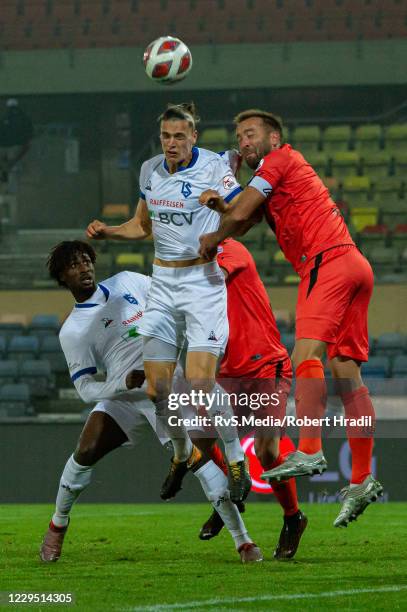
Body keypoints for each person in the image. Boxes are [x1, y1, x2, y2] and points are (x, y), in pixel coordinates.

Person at [198, 109, 383, 528]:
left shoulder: (279, 160)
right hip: (354, 263)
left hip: (327, 263)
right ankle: (361, 478)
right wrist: (222, 203)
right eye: (239, 138)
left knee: (304, 356)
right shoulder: (275, 178)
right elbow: (243, 220)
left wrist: (213, 233)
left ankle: (311, 448)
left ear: (274, 136)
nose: (244, 143)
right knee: (347, 372)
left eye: (250, 135)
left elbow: (239, 217)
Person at [40, 240, 262, 564]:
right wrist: (119, 383)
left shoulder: (128, 281)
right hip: (123, 396)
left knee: (198, 461)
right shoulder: (72, 331)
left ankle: (243, 541)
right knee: (85, 451)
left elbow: (171, 303)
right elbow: (86, 389)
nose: (84, 268)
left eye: (86, 260)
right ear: (62, 277)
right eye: (74, 265)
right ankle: (57, 525)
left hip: (166, 387)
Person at [86, 103, 252, 504]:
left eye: (180, 136)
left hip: (202, 284)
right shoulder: (150, 170)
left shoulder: (213, 167)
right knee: (158, 390)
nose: (172, 143)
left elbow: (241, 213)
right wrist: (108, 232)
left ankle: (235, 459)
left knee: (198, 383)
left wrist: (220, 206)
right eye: (166, 136)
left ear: (194, 136)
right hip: (162, 283)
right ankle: (181, 456)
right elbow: (142, 226)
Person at [196, 237, 307, 559]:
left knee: (267, 449)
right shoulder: (189, 257)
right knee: (200, 439)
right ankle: (231, 492)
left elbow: (207, 278)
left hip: (265, 364)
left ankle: (293, 517)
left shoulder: (230, 248)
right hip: (228, 371)